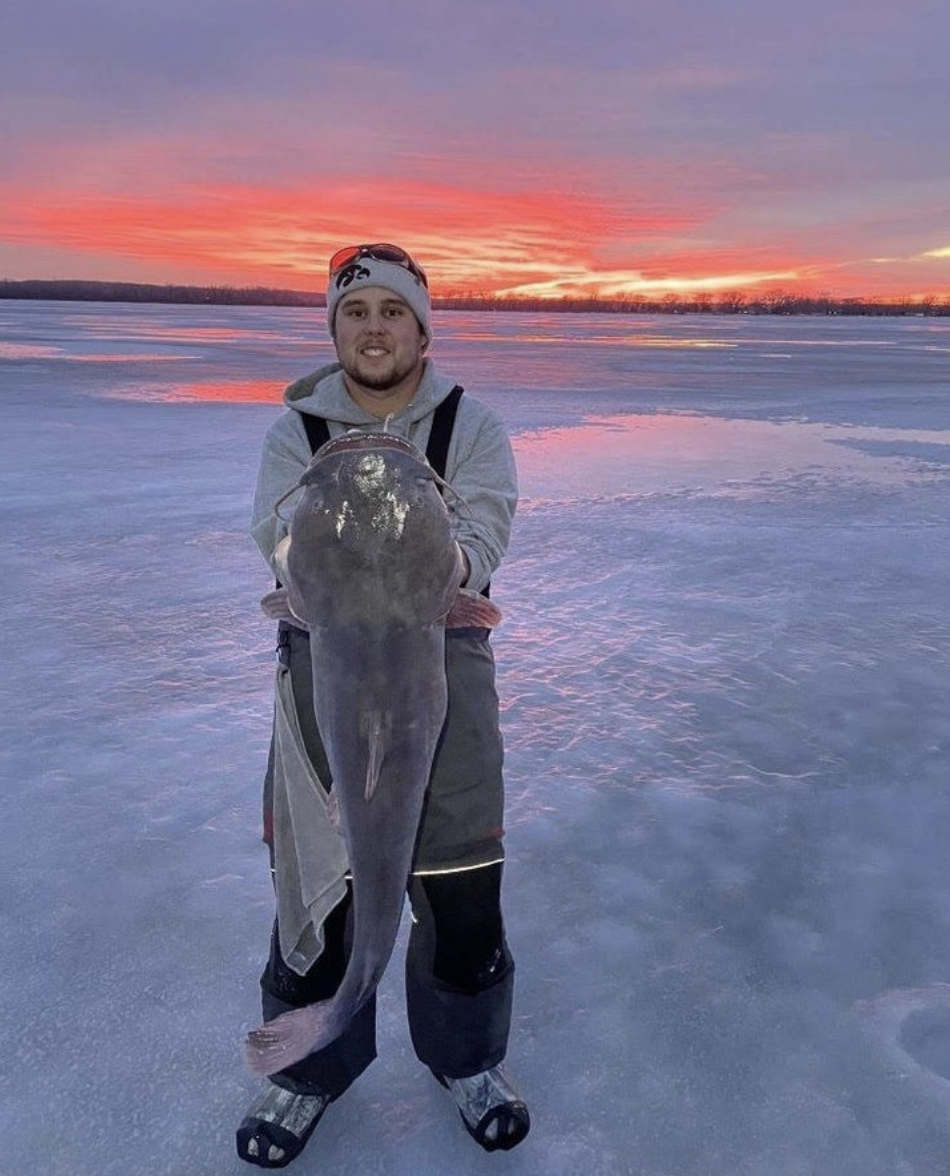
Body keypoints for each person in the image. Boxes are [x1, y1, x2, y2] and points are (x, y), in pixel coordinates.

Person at [236, 244, 529, 1167]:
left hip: (446, 666)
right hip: (323, 673)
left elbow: (487, 525)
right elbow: (271, 537)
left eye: (391, 312)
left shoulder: (467, 424)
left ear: (420, 328)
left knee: (462, 896)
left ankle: (466, 1061)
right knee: (322, 895)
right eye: (355, 312)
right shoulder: (297, 428)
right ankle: (309, 1070)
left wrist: (453, 568)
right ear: (334, 329)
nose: (373, 328)